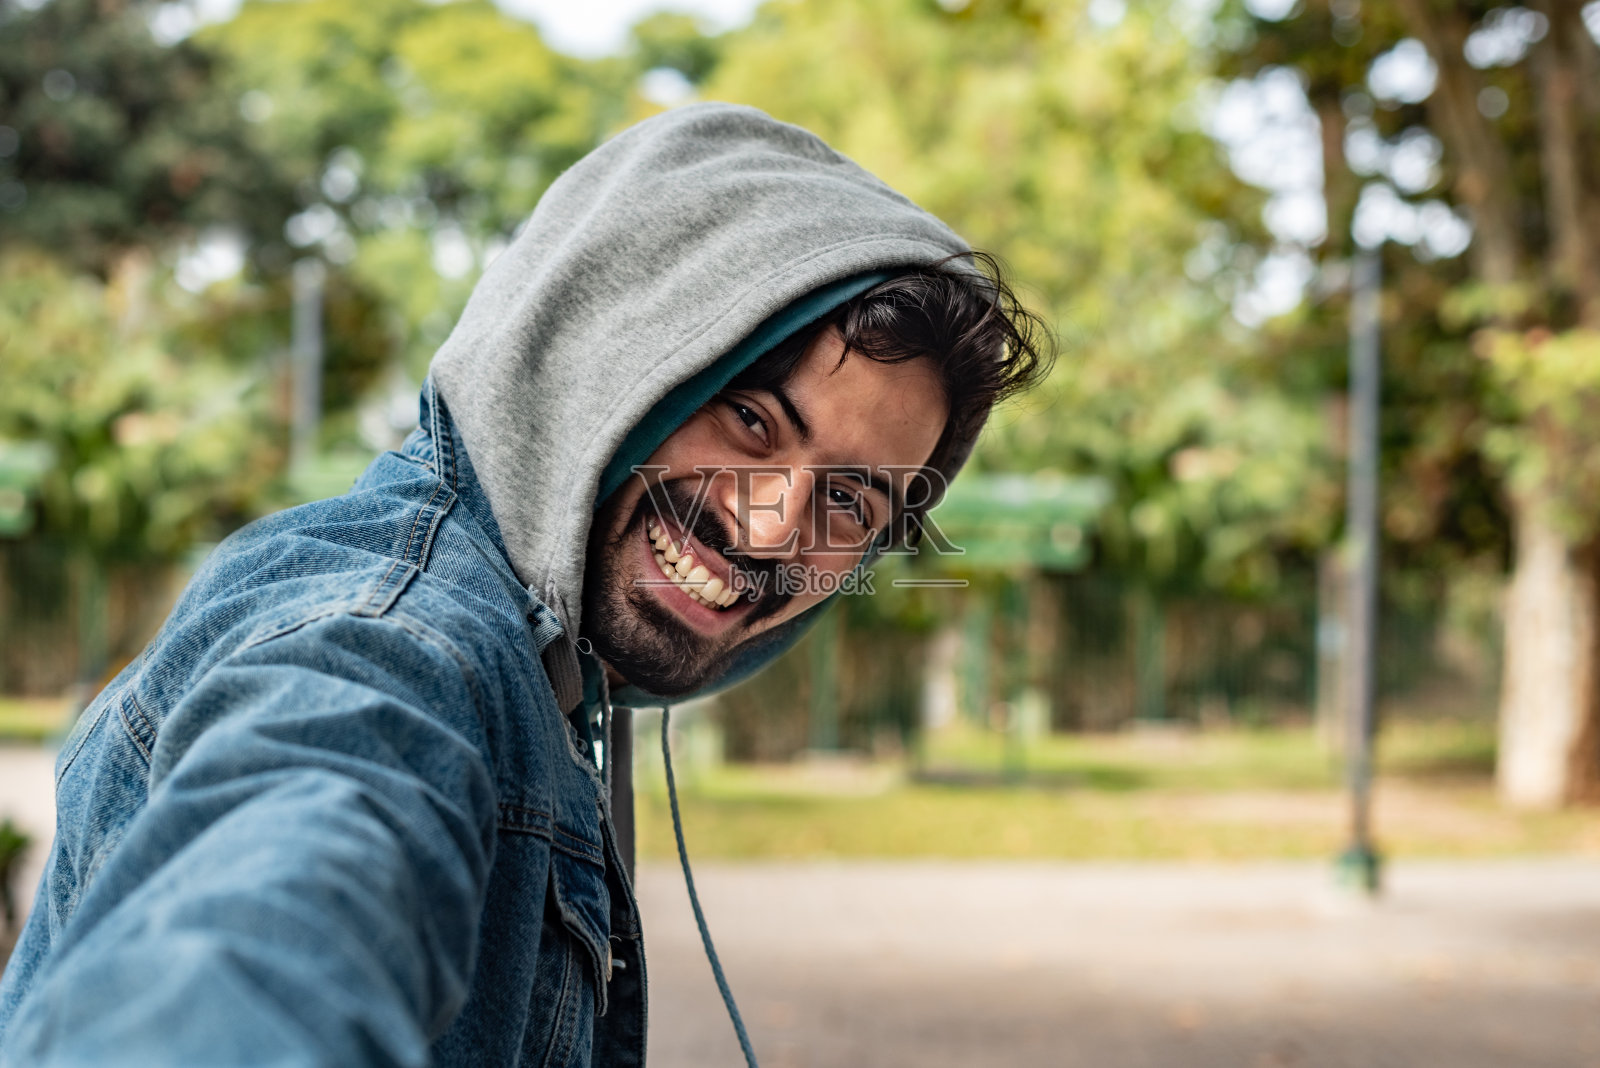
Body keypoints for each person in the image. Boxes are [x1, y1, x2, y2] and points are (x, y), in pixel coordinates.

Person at [0, 103, 1048, 1067]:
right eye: (750, 420)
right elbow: (278, 893)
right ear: (605, 358)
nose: (772, 527)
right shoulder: (392, 638)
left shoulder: (550, 670)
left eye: (851, 501)